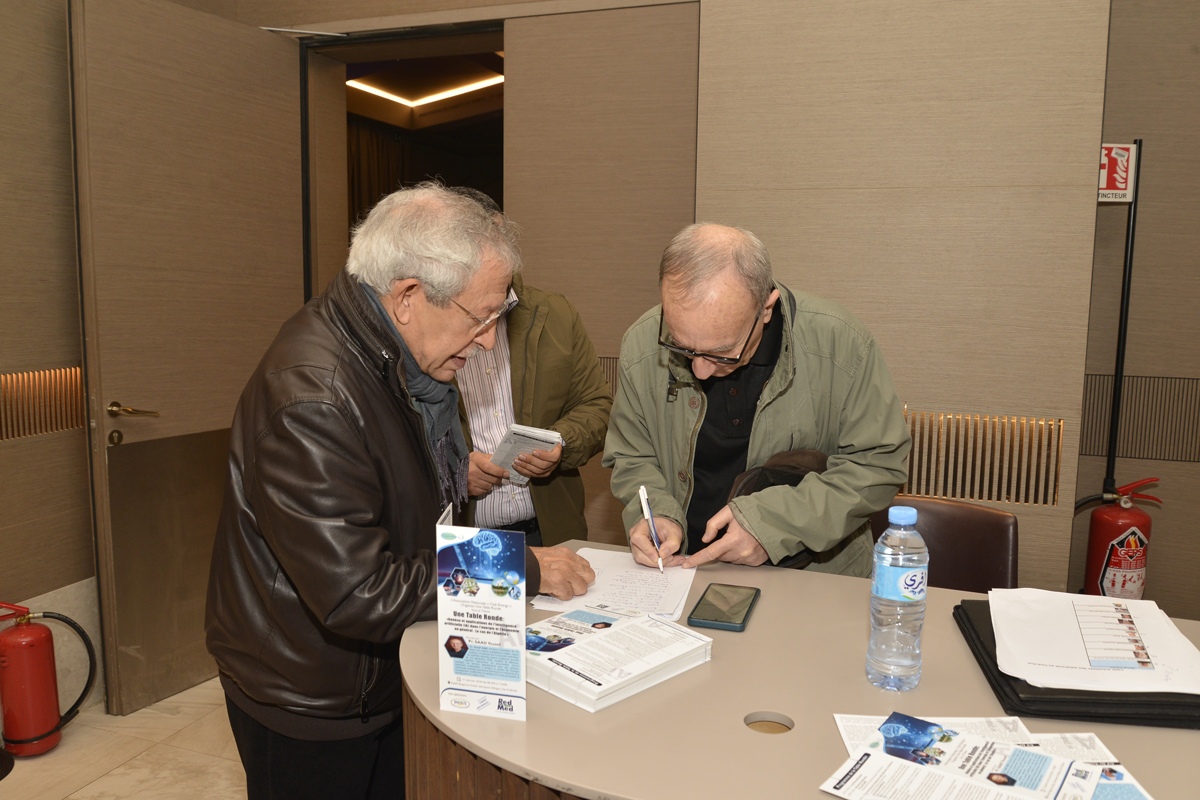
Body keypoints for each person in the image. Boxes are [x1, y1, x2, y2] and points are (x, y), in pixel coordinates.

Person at [205, 183, 594, 800]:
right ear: (409, 297)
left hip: (383, 670)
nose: (490, 340)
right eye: (482, 317)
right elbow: (358, 589)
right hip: (314, 700)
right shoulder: (315, 397)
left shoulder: (402, 357)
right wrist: (521, 566)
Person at [603, 223, 910, 575]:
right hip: (683, 570)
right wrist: (656, 513)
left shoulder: (841, 344)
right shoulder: (642, 343)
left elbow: (877, 466)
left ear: (766, 307)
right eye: (682, 346)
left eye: (722, 352)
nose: (701, 370)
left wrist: (773, 525)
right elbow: (632, 456)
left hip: (810, 575)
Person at [451, 188, 613, 547]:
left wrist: (560, 442)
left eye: (499, 243)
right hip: (462, 538)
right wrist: (454, 473)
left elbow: (598, 406)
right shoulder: (427, 328)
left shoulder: (555, 314)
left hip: (550, 531)